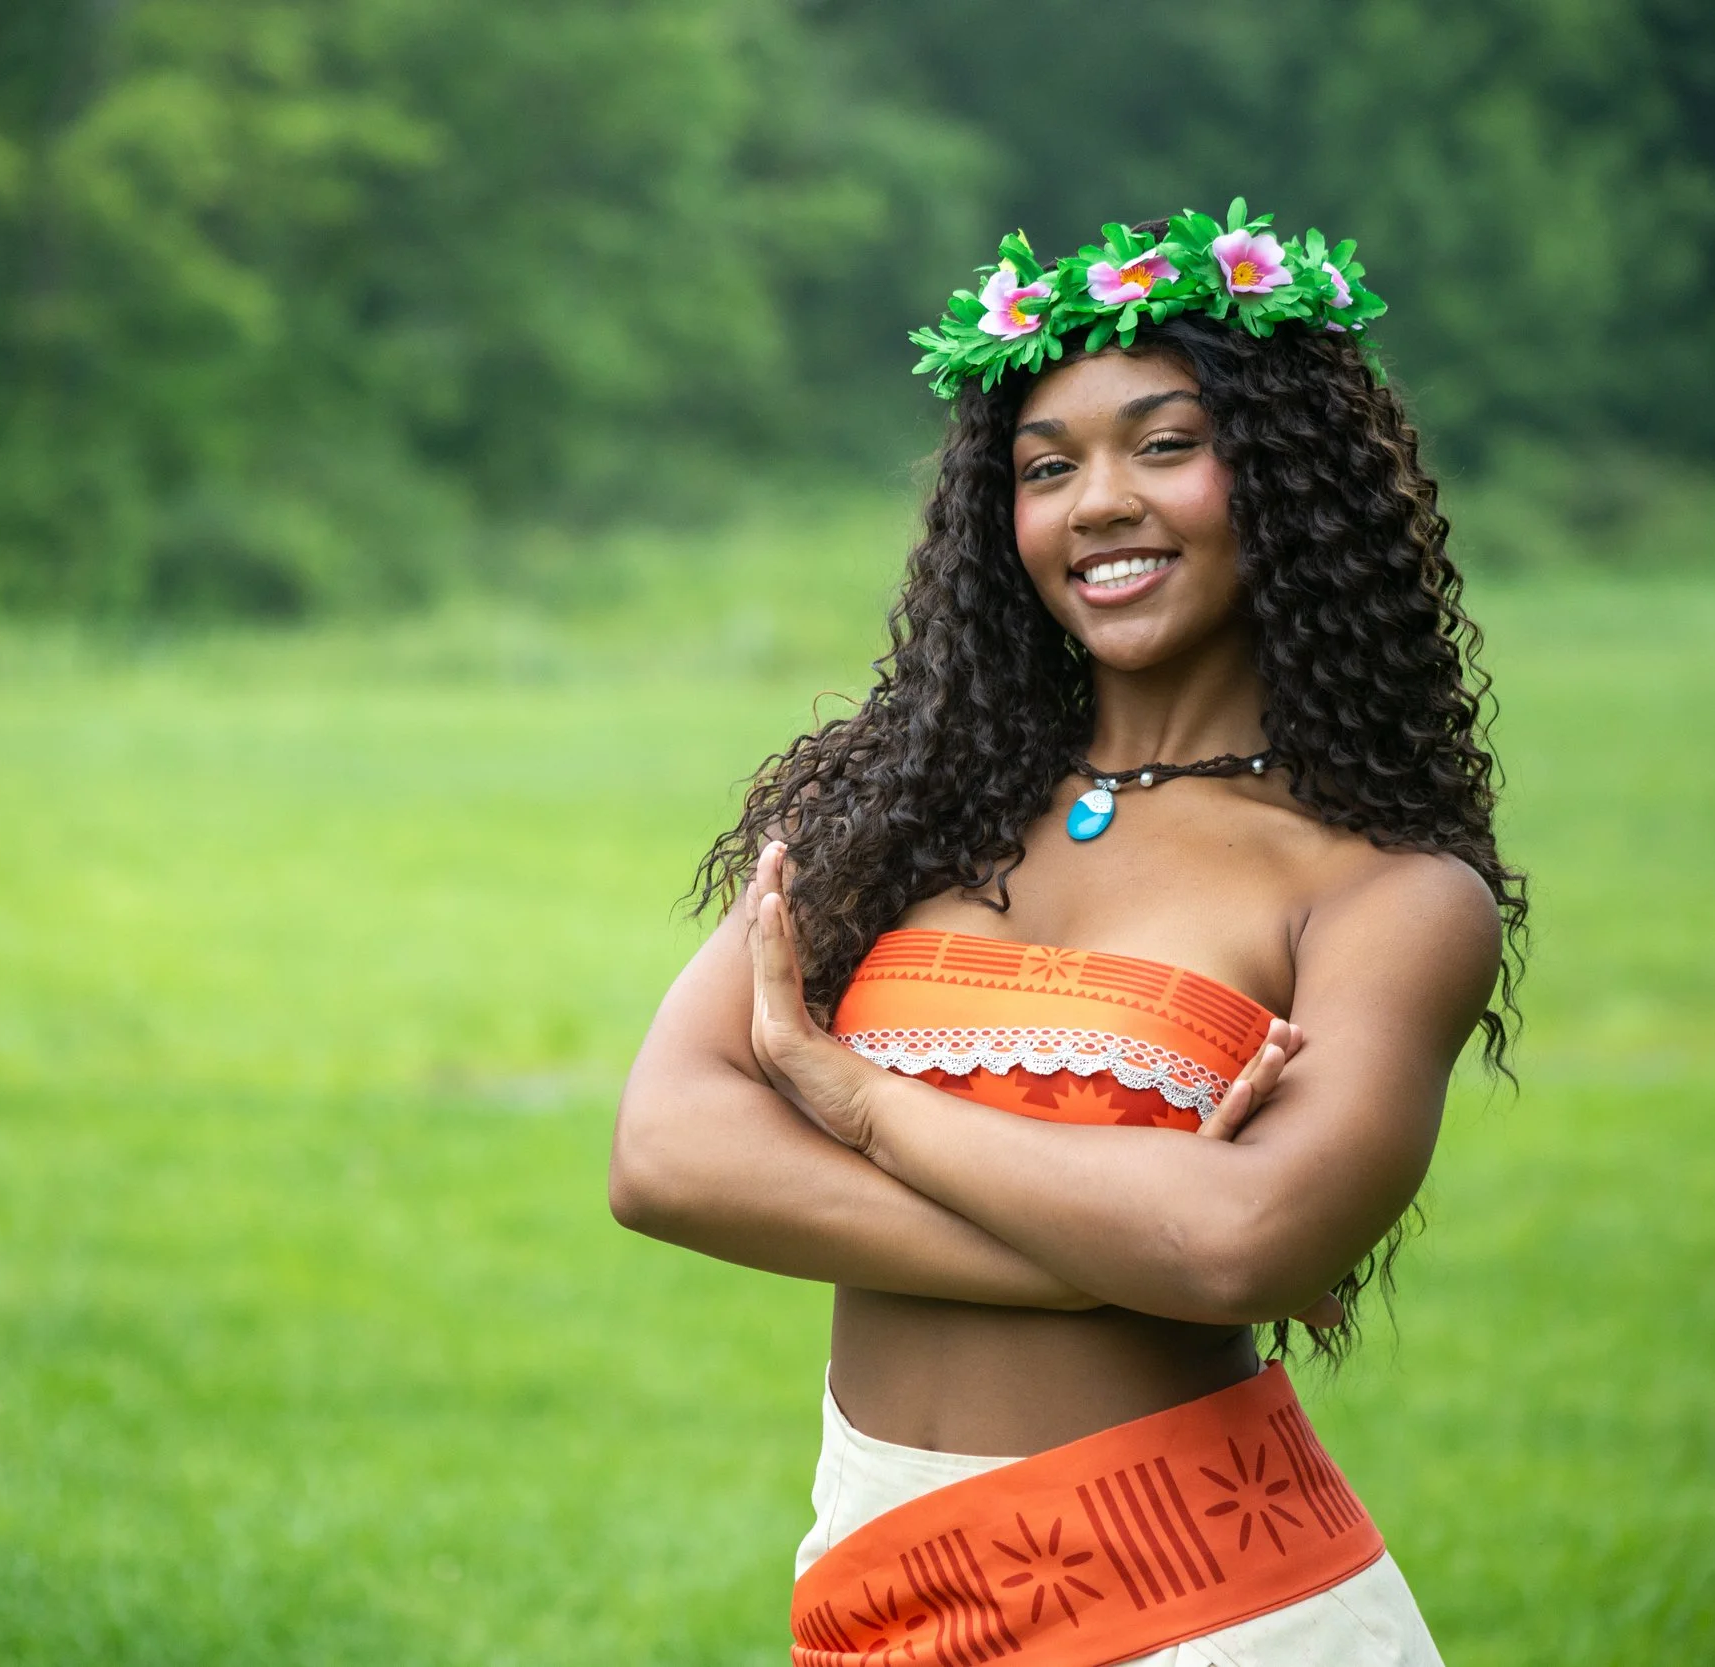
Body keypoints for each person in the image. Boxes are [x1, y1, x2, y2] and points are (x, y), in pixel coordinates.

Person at [610, 204, 1524, 1666]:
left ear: (1288, 485)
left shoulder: (1387, 894)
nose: (1099, 501)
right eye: (1048, 467)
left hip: (1210, 1608)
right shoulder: (901, 803)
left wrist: (854, 1099)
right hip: (872, 1570)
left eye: (1165, 445)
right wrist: (1116, 1239)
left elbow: (1243, 1248)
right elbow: (665, 1153)